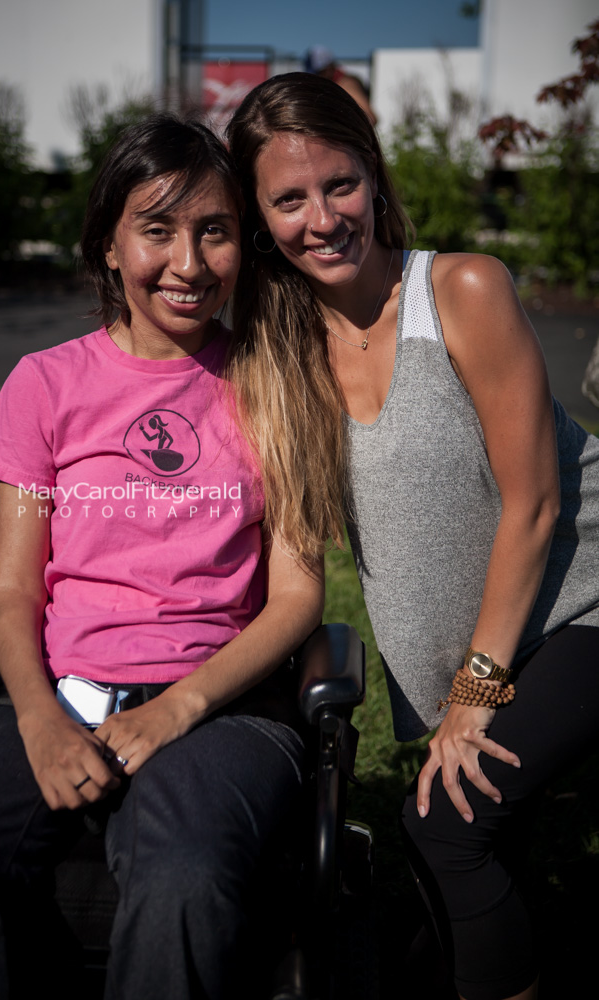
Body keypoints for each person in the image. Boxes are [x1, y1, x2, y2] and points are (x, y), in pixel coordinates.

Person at [0, 113, 323, 1000]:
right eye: (156, 230)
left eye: (214, 231)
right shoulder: (43, 384)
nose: (187, 263)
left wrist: (176, 710)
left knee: (182, 879)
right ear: (109, 245)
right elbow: (12, 588)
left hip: (222, 705)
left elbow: (297, 598)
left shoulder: (274, 385)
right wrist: (36, 718)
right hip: (57, 687)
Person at [225, 72, 599, 1000]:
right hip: (472, 652)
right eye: (288, 198)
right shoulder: (281, 350)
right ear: (258, 214)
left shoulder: (462, 289)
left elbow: (536, 508)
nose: (322, 217)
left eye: (340, 183)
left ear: (375, 176)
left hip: (578, 605)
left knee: (444, 827)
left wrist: (474, 696)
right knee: (459, 867)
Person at [303, 46, 377, 125]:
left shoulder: (345, 84)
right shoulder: (331, 87)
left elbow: (370, 118)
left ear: (329, 68)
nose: (316, 78)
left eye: (319, 73)